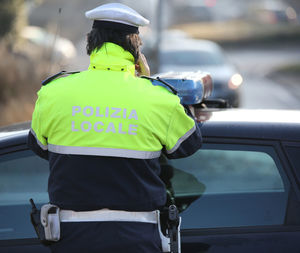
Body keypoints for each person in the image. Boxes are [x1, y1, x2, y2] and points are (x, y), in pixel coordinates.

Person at [27, 3, 202, 253]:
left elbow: (39, 147)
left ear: (90, 42)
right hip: (138, 238)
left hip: (72, 239)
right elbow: (190, 144)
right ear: (136, 47)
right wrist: (148, 82)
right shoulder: (158, 98)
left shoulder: (53, 93)